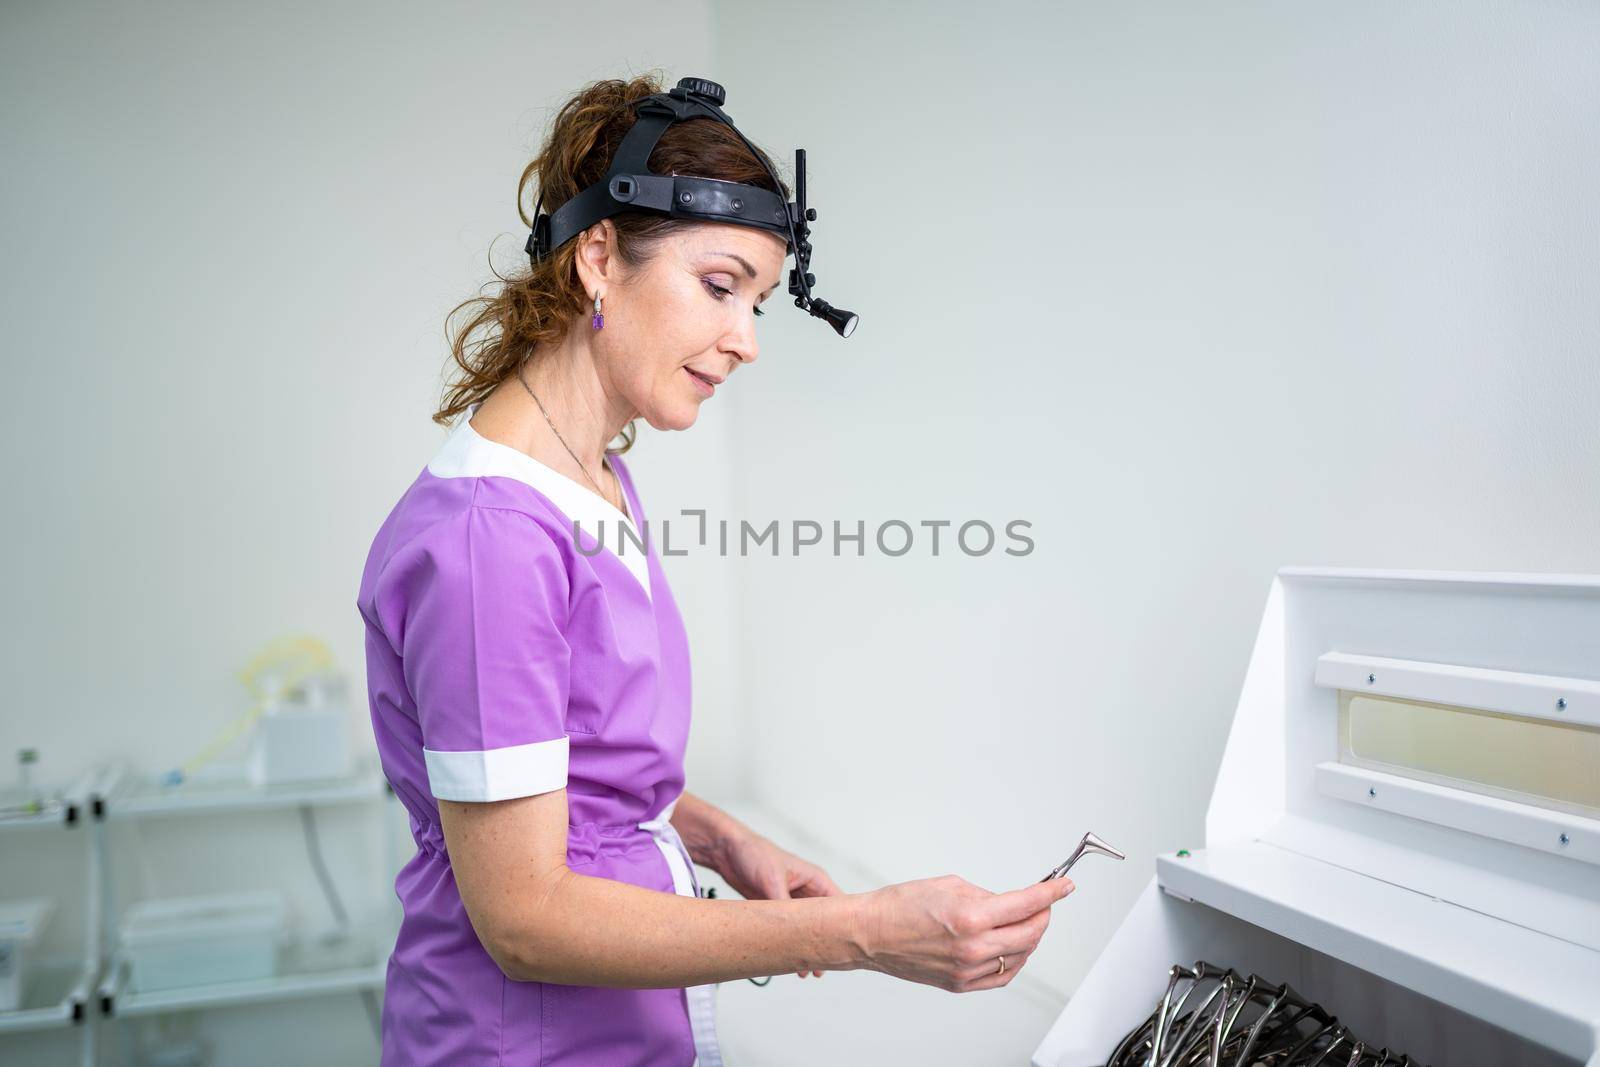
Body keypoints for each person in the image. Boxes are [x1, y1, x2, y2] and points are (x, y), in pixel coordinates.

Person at [355, 72, 1075, 1067]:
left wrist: (714, 833)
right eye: (720, 284)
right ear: (599, 256)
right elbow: (523, 916)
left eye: (761, 303)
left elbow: (569, 764)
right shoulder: (490, 538)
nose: (745, 340)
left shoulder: (592, 474)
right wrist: (863, 929)